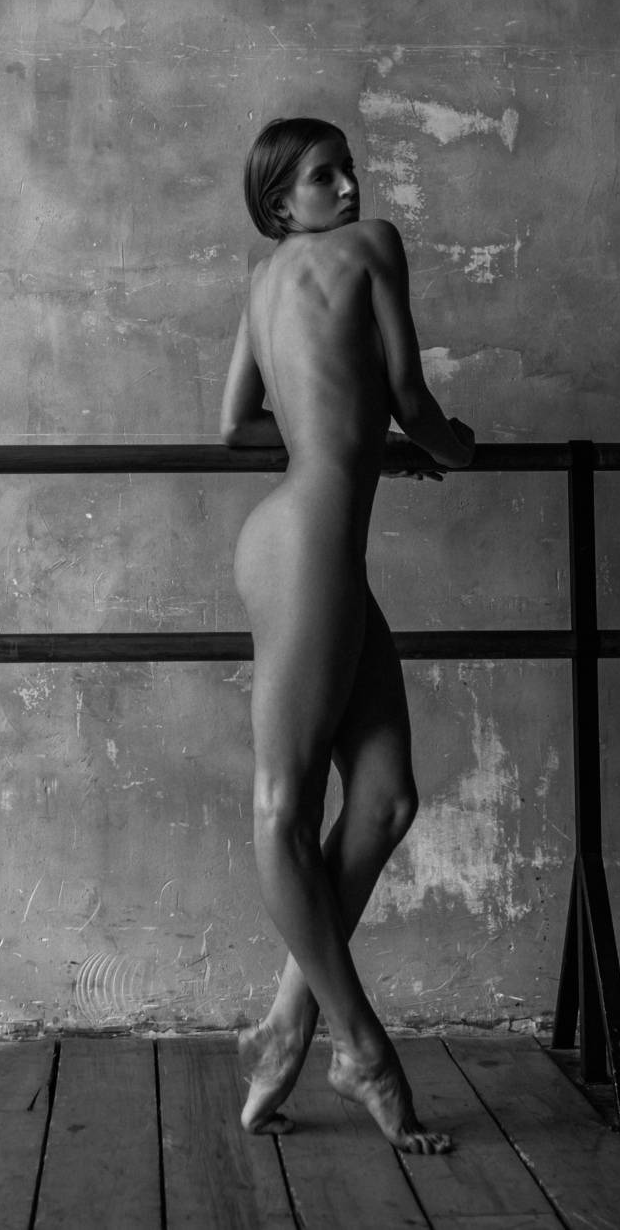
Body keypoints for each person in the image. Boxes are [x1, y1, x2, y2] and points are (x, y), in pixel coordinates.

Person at [220, 117, 475, 1152]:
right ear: (281, 200)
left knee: (384, 799)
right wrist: (452, 448)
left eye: (349, 170)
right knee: (283, 805)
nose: (351, 186)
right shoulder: (373, 248)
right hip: (307, 550)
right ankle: (359, 1047)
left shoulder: (260, 283)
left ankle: (289, 1020)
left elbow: (234, 424)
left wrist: (349, 445)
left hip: (299, 540)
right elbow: (413, 397)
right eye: (325, 176)